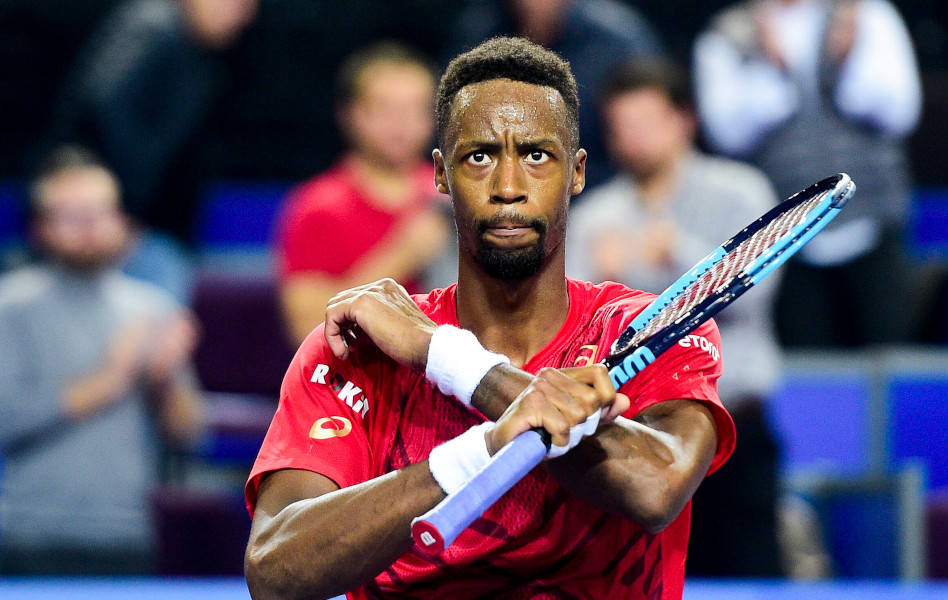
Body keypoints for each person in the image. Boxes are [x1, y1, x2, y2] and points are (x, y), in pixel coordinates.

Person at [244, 37, 736, 599]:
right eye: (480, 156)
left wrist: (448, 360)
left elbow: (656, 488)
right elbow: (274, 571)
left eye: (535, 155)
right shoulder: (358, 351)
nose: (508, 188)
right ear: (441, 176)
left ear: (576, 173)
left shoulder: (650, 327)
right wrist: (484, 447)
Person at [567, 58, 785, 577]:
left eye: (647, 122)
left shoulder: (742, 191)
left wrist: (676, 257)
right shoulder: (595, 214)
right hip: (629, 440)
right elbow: (575, 322)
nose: (634, 139)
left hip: (732, 430)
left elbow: (756, 294)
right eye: (622, 127)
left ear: (685, 119)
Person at [0, 146, 205, 575]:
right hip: (26, 534)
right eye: (73, 216)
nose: (91, 228)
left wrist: (164, 379)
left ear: (122, 219)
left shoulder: (150, 307)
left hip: (126, 532)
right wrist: (114, 377)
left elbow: (187, 433)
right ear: (40, 227)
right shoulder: (10, 306)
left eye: (101, 212)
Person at [693, 0, 923, 347]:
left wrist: (844, 62)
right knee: (809, 372)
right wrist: (772, 69)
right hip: (784, 237)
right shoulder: (728, 34)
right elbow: (727, 134)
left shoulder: (866, 14)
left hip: (871, 221)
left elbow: (899, 112)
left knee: (891, 359)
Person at [45, 0, 261, 301]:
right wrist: (124, 212)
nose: (245, 15)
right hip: (133, 237)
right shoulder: (154, 29)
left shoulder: (188, 45)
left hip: (147, 231)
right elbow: (103, 106)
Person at [274, 41, 450, 346]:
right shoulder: (317, 207)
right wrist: (403, 254)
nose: (402, 123)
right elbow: (305, 329)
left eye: (415, 109)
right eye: (385, 109)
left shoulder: (454, 197)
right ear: (350, 114)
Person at [445, 0, 665, 188]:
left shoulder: (617, 40)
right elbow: (448, 127)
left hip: (599, 192)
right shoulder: (479, 34)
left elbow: (648, 127)